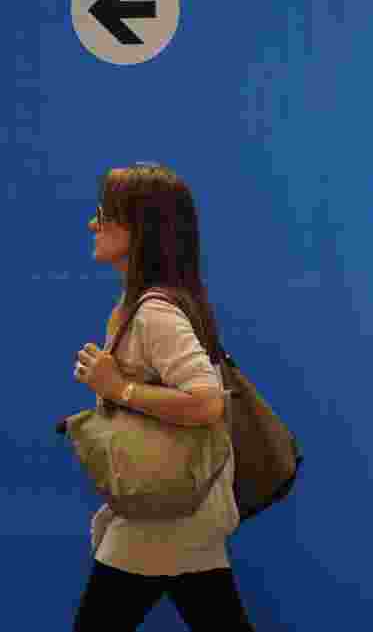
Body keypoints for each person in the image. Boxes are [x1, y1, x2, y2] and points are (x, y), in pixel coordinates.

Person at [72, 163, 255, 631]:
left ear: (138, 229)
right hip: (180, 512)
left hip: (160, 520)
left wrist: (120, 389)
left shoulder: (155, 313)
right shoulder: (151, 305)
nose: (93, 224)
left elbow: (207, 401)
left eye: (103, 215)